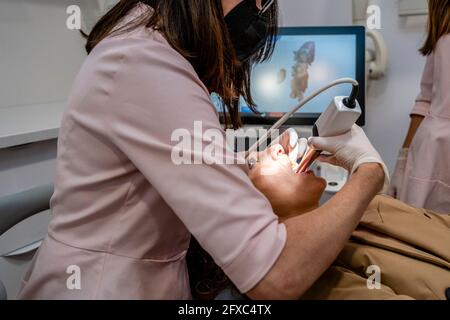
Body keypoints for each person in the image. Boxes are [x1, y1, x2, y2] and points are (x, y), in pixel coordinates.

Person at [18, 0, 388, 300]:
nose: (258, 8)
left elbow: (173, 163)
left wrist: (238, 171)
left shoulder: (150, 43)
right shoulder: (147, 63)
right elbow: (275, 276)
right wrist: (370, 172)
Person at [249, 144, 450, 300]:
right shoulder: (314, 285)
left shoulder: (375, 207)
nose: (276, 148)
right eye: (251, 163)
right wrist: (370, 172)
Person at [389, 0, 450, 213]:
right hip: (431, 156)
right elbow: (425, 100)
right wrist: (402, 160)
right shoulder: (444, 21)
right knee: (420, 236)